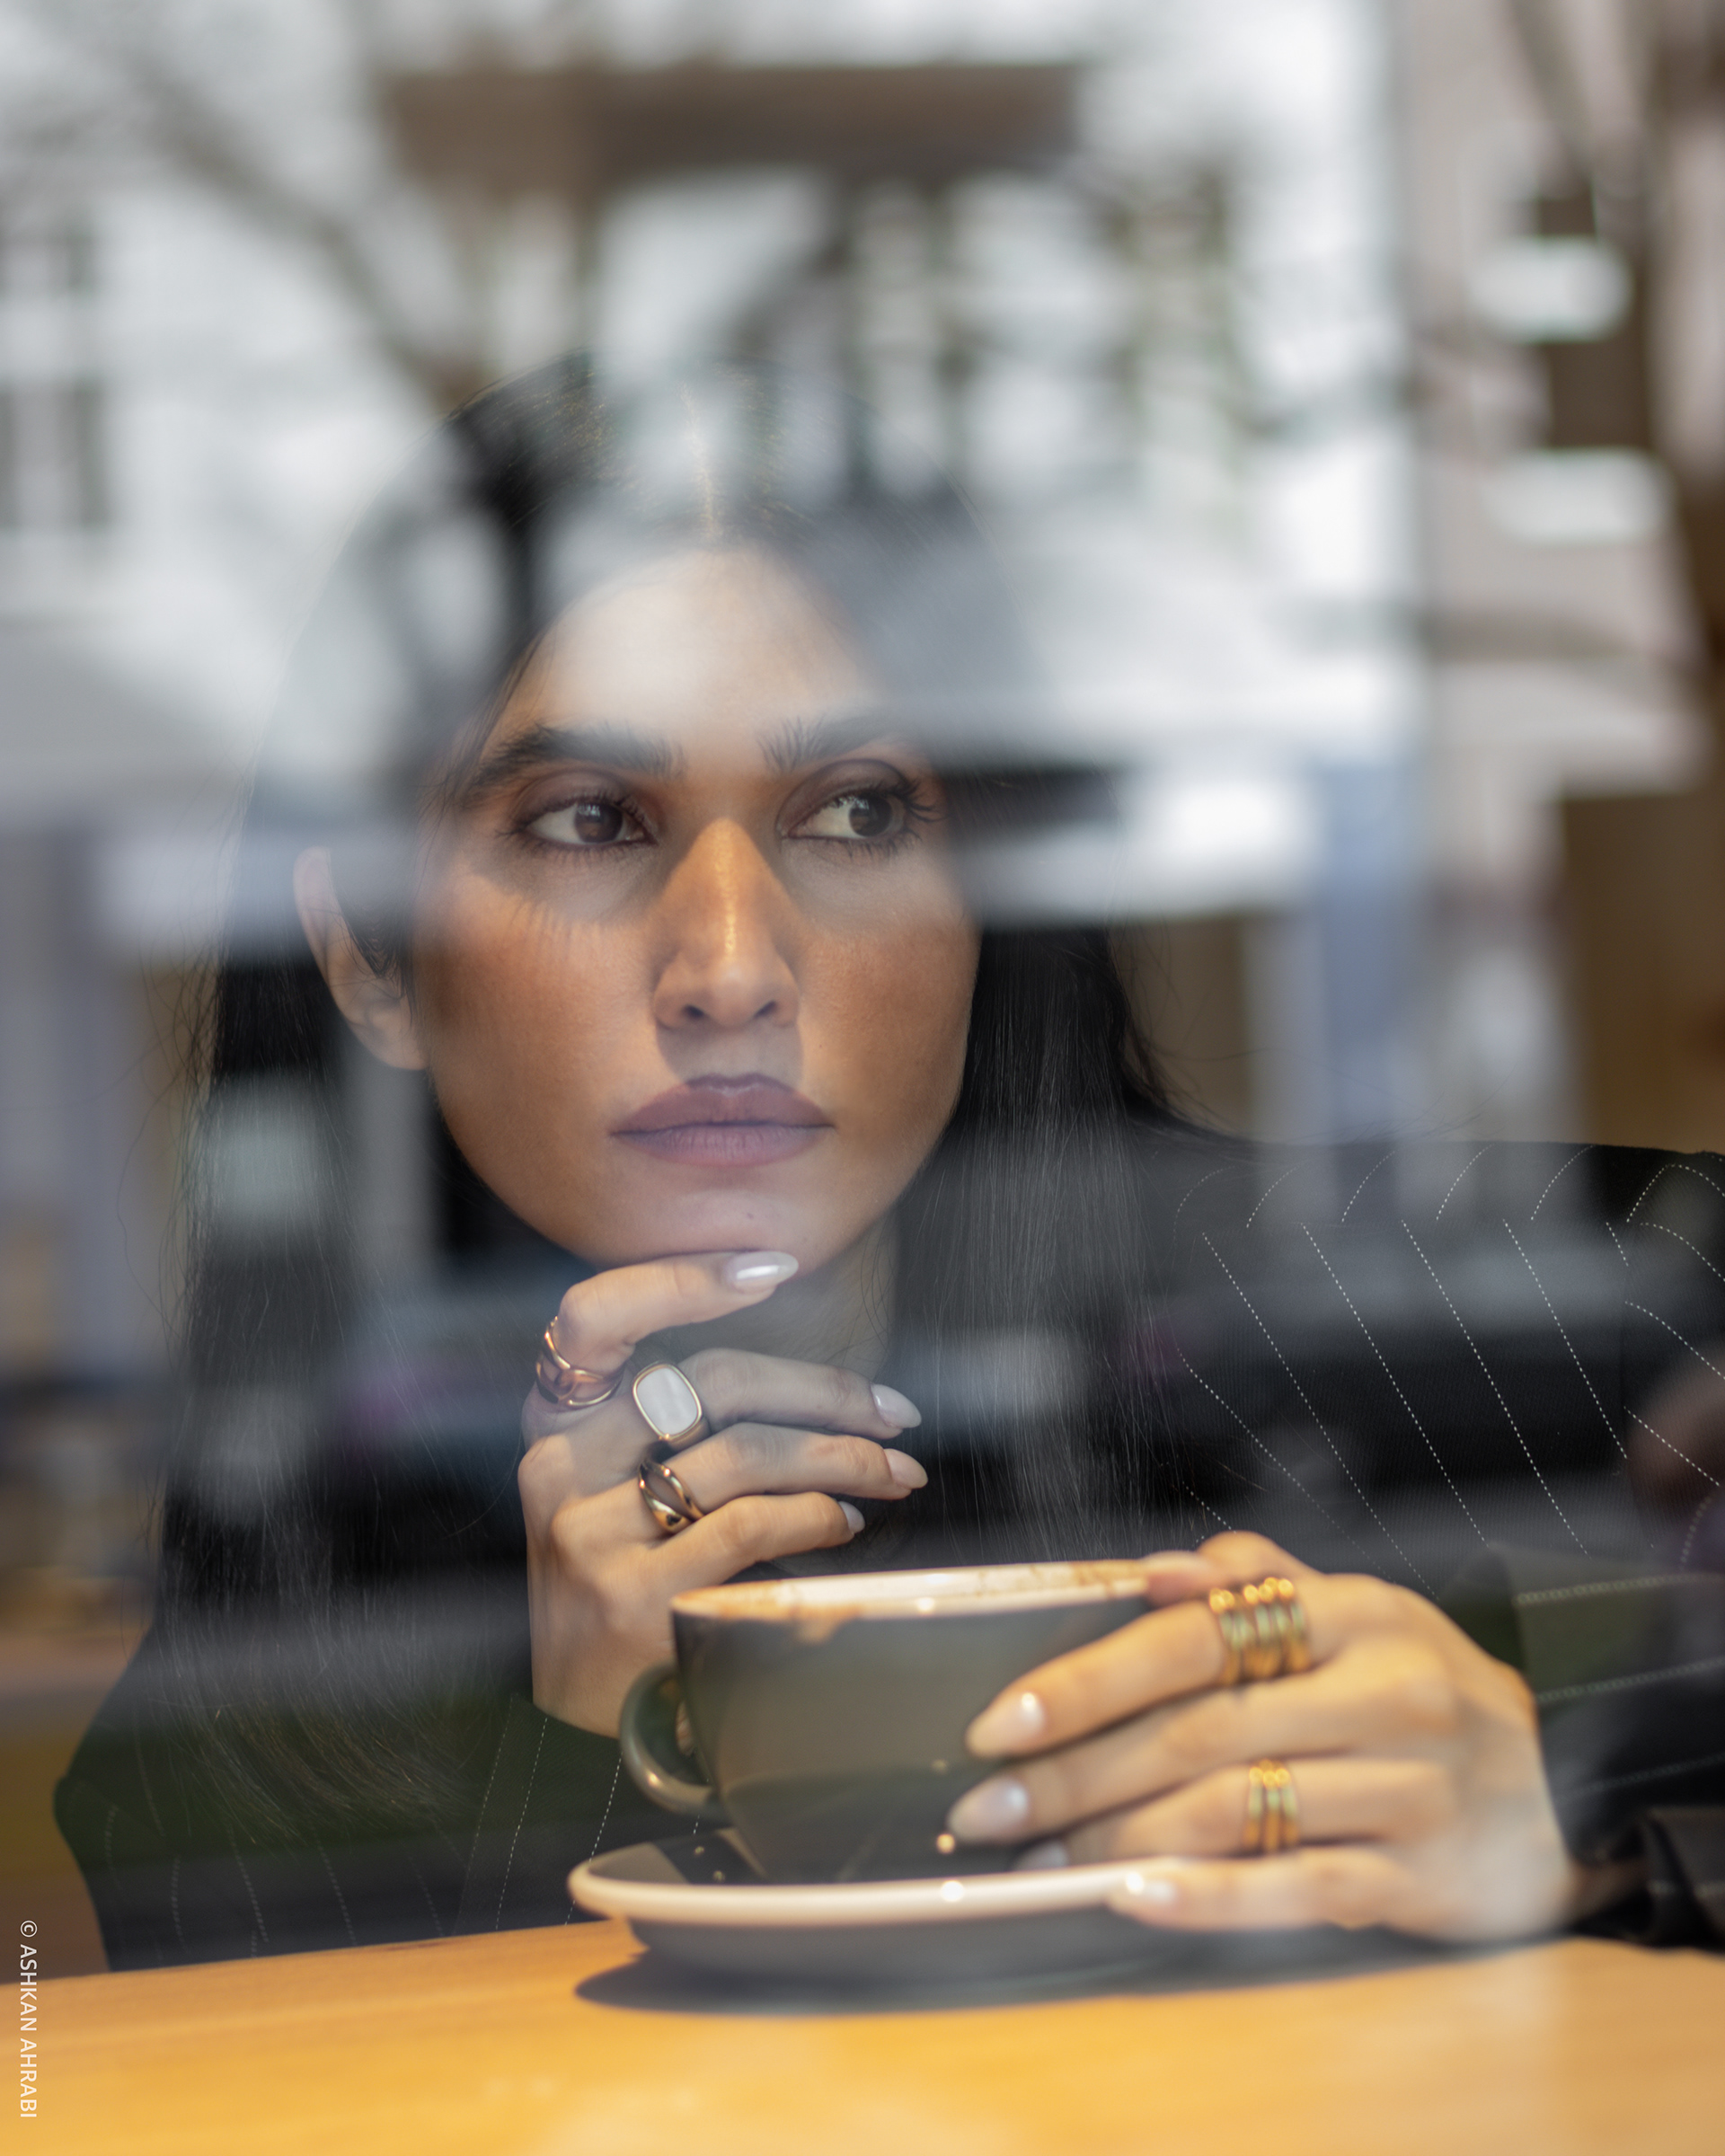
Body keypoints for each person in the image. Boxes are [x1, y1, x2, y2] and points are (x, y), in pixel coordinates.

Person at [58, 359, 1725, 1967]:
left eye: (855, 814)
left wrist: (1585, 1825)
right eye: (587, 819)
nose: (727, 966)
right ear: (366, 955)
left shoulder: (1426, 1320)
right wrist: (574, 1755)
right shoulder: (253, 1655)